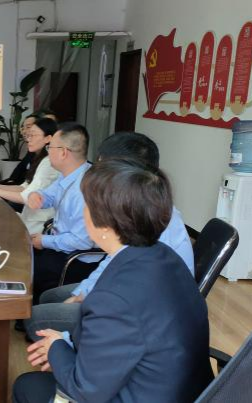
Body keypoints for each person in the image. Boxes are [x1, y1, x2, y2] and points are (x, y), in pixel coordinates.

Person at [13, 159, 213, 403]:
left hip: (140, 394)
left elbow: (84, 389)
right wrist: (64, 343)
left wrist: (56, 347)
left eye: (86, 205)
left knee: (27, 386)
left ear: (106, 226)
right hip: (180, 389)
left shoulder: (113, 300)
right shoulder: (164, 255)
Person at [25, 132, 195, 339]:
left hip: (142, 317)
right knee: (49, 297)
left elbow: (126, 307)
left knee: (35, 319)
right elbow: (114, 260)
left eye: (102, 167)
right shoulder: (134, 206)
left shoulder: (149, 221)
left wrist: (66, 339)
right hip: (124, 296)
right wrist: (83, 293)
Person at [27, 122, 97, 304]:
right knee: (23, 257)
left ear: (63, 152)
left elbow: (82, 241)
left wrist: (44, 241)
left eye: (50, 147)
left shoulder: (85, 188)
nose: (47, 151)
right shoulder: (68, 174)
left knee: (27, 271)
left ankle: (34, 316)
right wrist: (37, 195)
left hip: (77, 259)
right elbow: (49, 195)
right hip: (60, 245)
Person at [0, 118, 59, 234]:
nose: (28, 139)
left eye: (33, 135)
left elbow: (25, 197)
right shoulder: (39, 158)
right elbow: (23, 187)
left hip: (39, 224)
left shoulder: (48, 163)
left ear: (48, 138)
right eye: (28, 135)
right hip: (30, 217)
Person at [0, 114, 38, 188]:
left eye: (28, 127)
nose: (24, 131)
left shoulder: (44, 157)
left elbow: (27, 188)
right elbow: (15, 177)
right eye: (23, 128)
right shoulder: (31, 152)